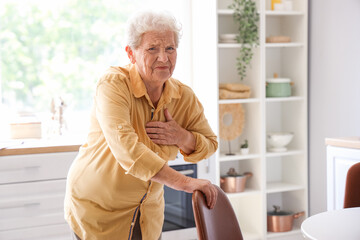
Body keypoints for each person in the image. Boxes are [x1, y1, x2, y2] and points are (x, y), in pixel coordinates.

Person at [64, 10, 218, 240]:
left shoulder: (183, 96)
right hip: (98, 211)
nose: (164, 58)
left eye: (170, 48)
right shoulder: (114, 84)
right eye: (152, 49)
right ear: (131, 53)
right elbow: (127, 149)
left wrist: (182, 137)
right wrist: (184, 182)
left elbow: (210, 144)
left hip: (148, 213)